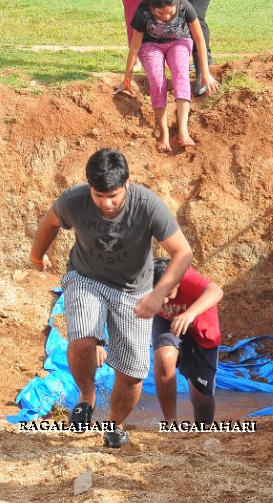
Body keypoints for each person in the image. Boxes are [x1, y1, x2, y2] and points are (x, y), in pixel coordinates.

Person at [30, 148, 194, 448]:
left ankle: (114, 426)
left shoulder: (147, 205)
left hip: (133, 290)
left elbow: (183, 252)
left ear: (126, 186)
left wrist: (158, 294)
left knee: (132, 373)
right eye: (99, 195)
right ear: (90, 188)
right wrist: (37, 256)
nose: (106, 203)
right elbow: (50, 222)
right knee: (82, 339)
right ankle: (86, 398)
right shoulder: (74, 200)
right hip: (86, 277)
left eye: (114, 196)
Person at [122, 0, 217, 151]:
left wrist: (205, 72)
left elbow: (199, 39)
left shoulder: (184, 5)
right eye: (160, 13)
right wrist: (127, 78)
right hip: (150, 45)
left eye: (171, 13)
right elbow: (135, 47)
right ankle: (164, 132)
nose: (166, 16)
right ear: (152, 8)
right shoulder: (143, 13)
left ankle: (183, 131)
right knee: (157, 82)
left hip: (179, 41)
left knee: (181, 75)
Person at [149, 257, 222, 424]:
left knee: (201, 399)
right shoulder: (143, 279)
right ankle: (170, 423)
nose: (164, 301)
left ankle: (202, 431)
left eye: (168, 294)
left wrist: (190, 313)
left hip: (201, 327)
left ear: (178, 282)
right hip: (167, 322)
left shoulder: (187, 277)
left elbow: (216, 290)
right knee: (164, 356)